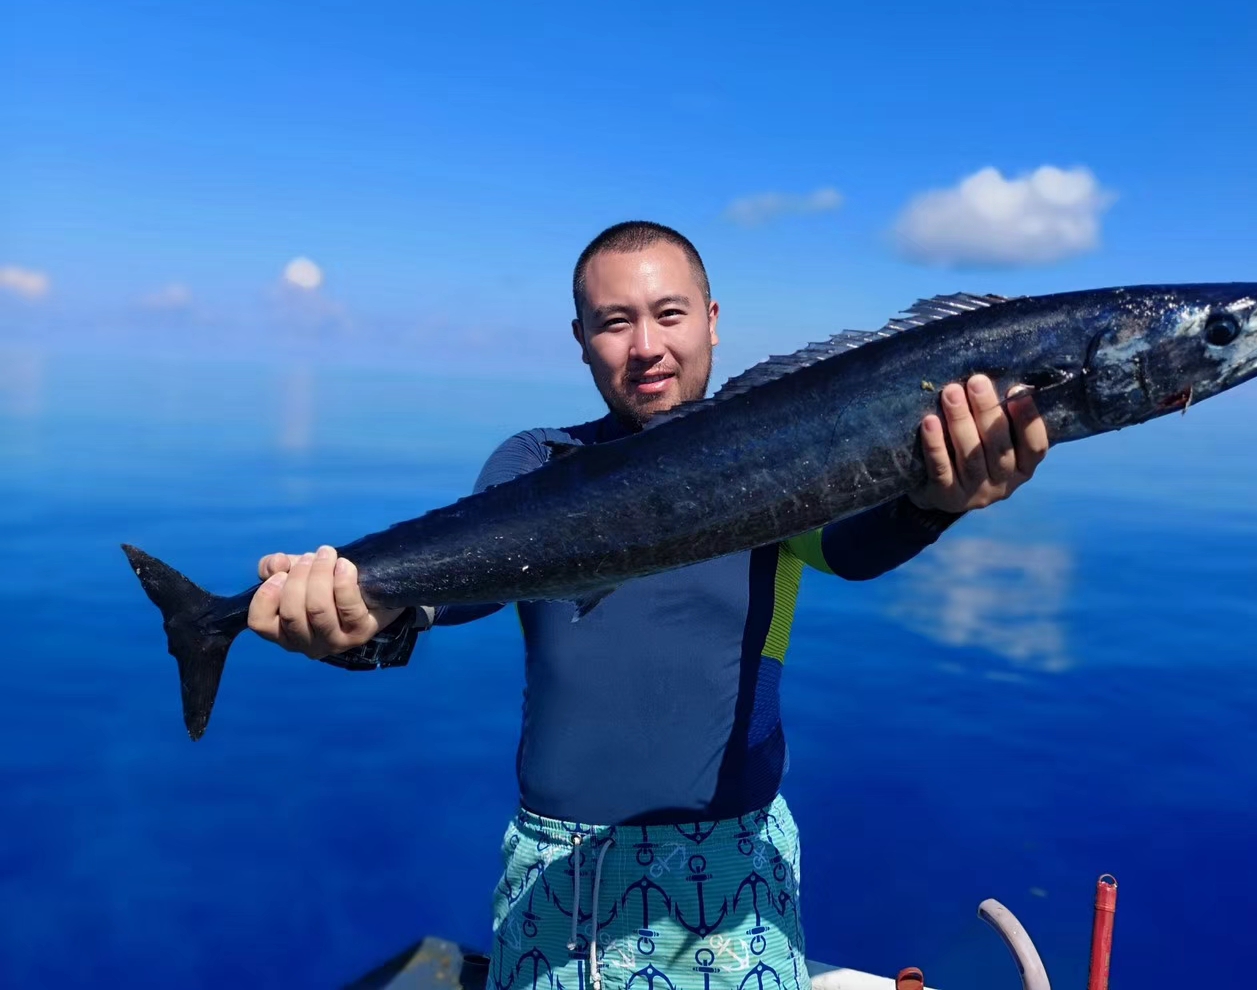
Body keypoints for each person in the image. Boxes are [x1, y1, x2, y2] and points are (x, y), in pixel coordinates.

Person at [247, 222, 1049, 990]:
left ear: (711, 320)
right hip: (560, 875)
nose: (646, 348)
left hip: (734, 881)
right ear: (580, 339)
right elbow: (456, 595)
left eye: (669, 315)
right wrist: (358, 628)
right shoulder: (538, 462)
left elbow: (854, 547)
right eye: (614, 323)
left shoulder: (787, 458)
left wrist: (935, 503)